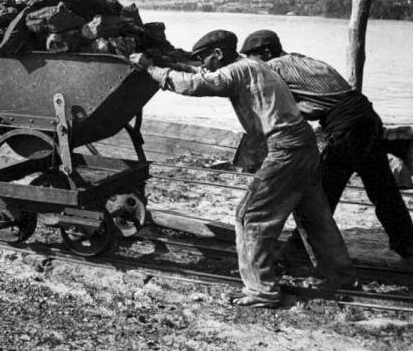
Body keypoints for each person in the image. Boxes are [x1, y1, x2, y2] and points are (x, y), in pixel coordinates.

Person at [130, 30, 356, 308]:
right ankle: (340, 275)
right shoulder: (251, 66)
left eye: (205, 59)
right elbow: (200, 73)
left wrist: (151, 69)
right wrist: (174, 65)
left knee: (250, 216)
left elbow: (194, 85)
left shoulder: (239, 70)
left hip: (286, 148)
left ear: (218, 55)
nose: (202, 65)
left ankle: (262, 290)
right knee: (313, 215)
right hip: (303, 144)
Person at [239, 29, 413, 262]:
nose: (250, 63)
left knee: (321, 190)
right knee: (382, 188)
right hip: (367, 118)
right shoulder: (302, 59)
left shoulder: (273, 67)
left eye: (251, 58)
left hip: (348, 126)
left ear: (266, 53)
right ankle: (408, 244)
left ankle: (298, 251)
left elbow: (255, 88)